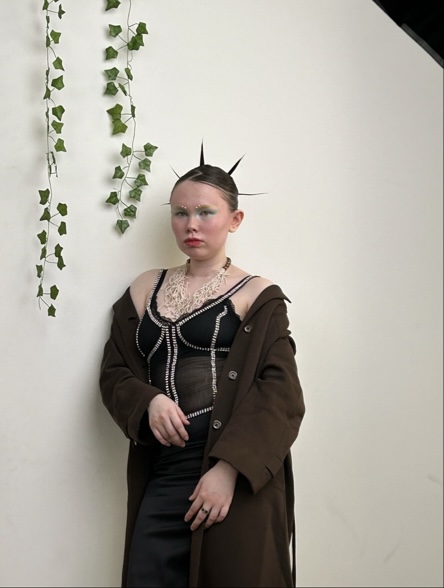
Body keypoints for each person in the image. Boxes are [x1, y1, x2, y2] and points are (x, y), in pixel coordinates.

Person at [99, 149, 305, 588]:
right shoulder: (144, 287)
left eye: (205, 212)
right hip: (164, 469)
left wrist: (228, 470)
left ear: (235, 219)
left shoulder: (257, 295)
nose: (191, 224)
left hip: (233, 472)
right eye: (180, 213)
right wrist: (149, 401)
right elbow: (115, 371)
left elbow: (281, 393)